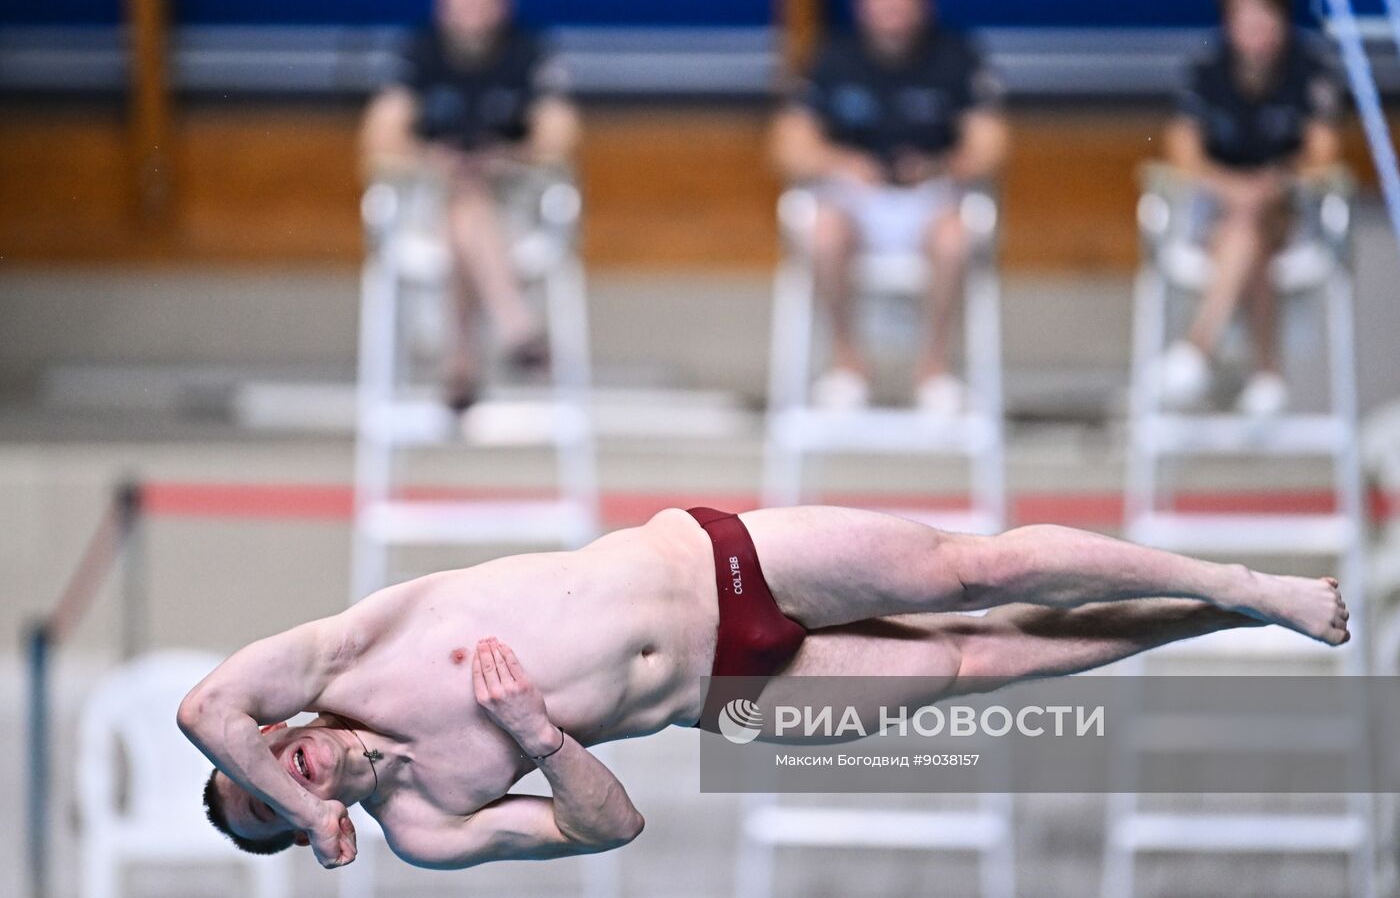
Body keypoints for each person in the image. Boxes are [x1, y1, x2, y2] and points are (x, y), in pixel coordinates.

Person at [180, 505, 1349, 870]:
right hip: (725, 696)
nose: (275, 780)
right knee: (989, 657)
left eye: (261, 774)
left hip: (707, 562)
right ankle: (1226, 613)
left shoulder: (335, 657)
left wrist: (307, 800)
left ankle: (1237, 575)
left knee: (972, 571)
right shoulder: (428, 825)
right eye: (266, 809)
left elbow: (202, 714)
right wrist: (536, 734)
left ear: (272, 740)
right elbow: (610, 826)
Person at [771, 0, 1010, 414]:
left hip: (930, 198)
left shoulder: (956, 56)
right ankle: (848, 363)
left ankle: (933, 368)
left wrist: (939, 167)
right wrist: (843, 162)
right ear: (861, 2)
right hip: (855, 199)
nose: (890, 7)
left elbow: (992, 147)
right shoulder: (832, 57)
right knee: (820, 231)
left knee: (956, 236)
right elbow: (786, 147)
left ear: (925, 2)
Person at [360, 0, 581, 412]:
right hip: (430, 199)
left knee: (469, 207)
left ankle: (460, 362)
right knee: (462, 203)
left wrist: (501, 158)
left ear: (505, 2)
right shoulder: (419, 51)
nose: (469, 7)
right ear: (441, 3)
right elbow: (380, 137)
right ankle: (517, 329)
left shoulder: (528, 50)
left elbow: (560, 136)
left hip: (512, 202)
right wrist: (434, 159)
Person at [1159, 0, 1344, 416]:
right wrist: (1230, 186)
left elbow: (1323, 150)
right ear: (1229, 24)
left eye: (1266, 18)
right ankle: (1266, 373)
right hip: (1219, 210)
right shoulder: (1207, 67)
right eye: (1245, 20)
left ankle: (1198, 346)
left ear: (1283, 20)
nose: (1256, 31)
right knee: (1246, 235)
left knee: (1252, 222)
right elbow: (1179, 146)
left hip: (1288, 207)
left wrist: (1273, 181)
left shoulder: (1310, 67)